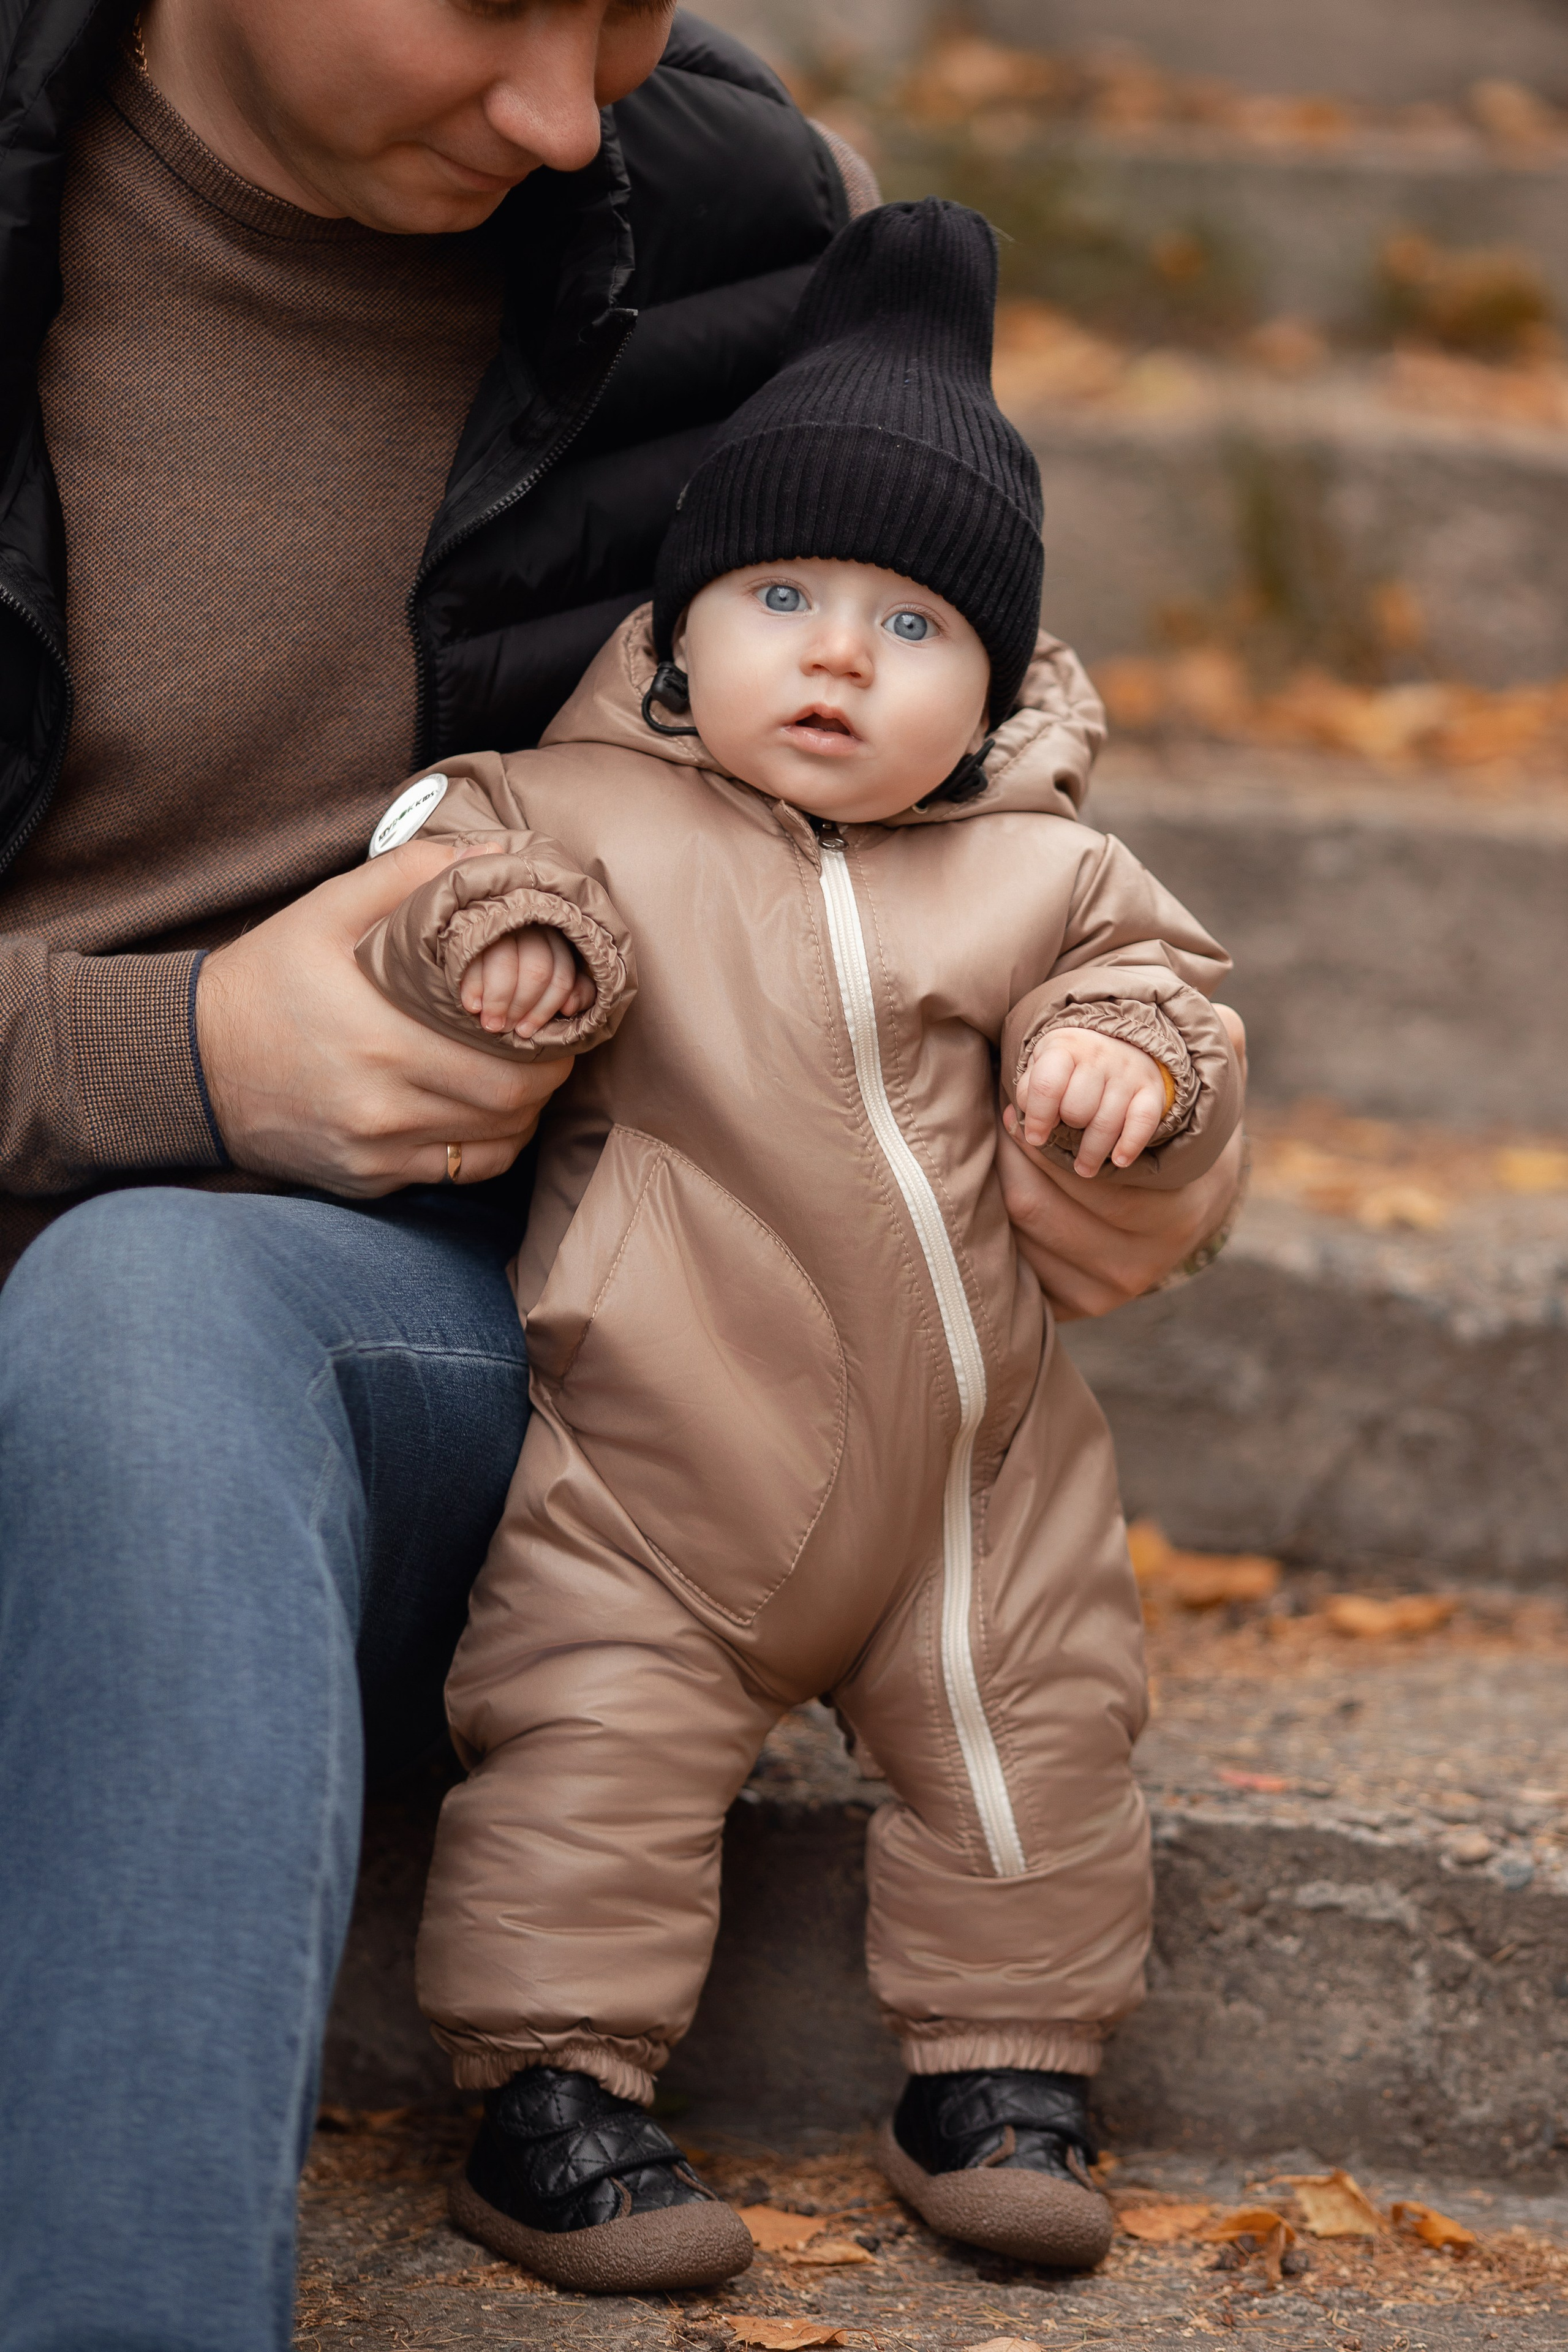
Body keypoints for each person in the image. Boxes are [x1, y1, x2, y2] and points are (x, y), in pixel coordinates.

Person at [0, 6, 1245, 2347]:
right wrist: (155, 1049)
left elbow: (963, 872)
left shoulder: (734, 224)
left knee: (150, 1317)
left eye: (631, 1)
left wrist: (1120, 1140)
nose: (570, 115)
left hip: (515, 1344)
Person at [356, 197, 1243, 2296]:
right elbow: (431, 874)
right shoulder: (579, 811)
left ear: (998, 688)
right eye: (781, 596)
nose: (840, 654)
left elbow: (1167, 985)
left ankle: (1002, 2078)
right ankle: (552, 2094)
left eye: (915, 625)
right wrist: (504, 939)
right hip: (661, 1455)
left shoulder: (1044, 874)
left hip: (975, 1476)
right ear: (680, 637)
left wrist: (1131, 1058)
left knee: (1036, 1738)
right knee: (591, 1745)